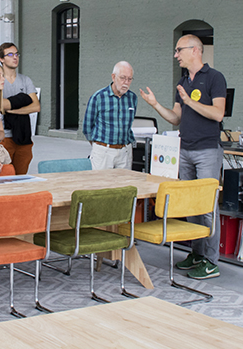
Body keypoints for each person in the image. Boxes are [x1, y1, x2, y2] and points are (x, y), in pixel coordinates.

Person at [139, 35, 227, 280]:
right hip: (184, 150)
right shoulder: (182, 82)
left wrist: (190, 101)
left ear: (194, 50)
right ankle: (197, 254)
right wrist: (156, 105)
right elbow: (176, 118)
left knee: (207, 206)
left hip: (207, 151)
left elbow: (218, 114)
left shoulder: (215, 78)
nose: (176, 54)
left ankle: (211, 261)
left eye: (179, 50)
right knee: (191, 206)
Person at [83, 61, 137, 170]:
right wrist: (98, 146)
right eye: (122, 78)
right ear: (113, 77)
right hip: (103, 151)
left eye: (129, 79)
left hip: (125, 152)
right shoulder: (98, 97)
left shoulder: (133, 98)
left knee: (124, 185)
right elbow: (87, 128)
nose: (126, 82)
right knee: (101, 185)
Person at [0, 42, 39, 174]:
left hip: (23, 135)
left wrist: (11, 110)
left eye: (16, 54)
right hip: (4, 136)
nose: (15, 57)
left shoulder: (25, 80)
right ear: (1, 59)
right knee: (4, 176)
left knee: (21, 176)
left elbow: (36, 106)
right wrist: (22, 99)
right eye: (10, 54)